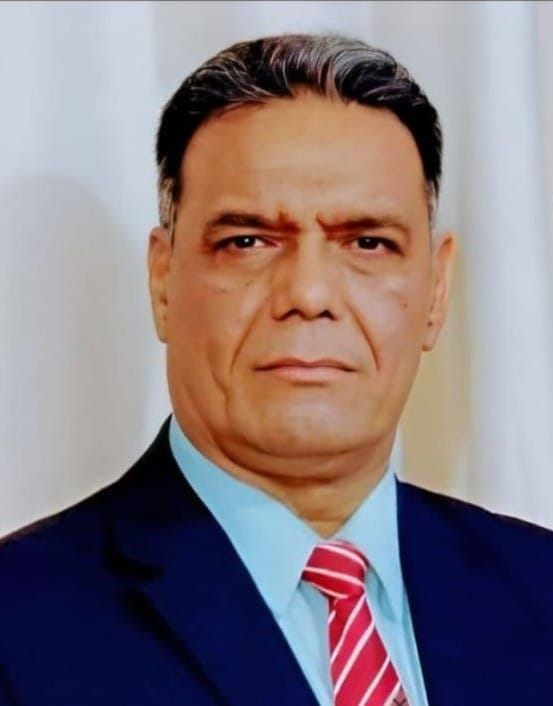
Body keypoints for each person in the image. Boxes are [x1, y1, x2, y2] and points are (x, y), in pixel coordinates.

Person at [0, 33, 551, 706]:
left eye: (367, 242)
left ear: (436, 292)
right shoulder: (19, 626)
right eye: (248, 241)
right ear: (164, 281)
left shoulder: (539, 588)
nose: (309, 294)